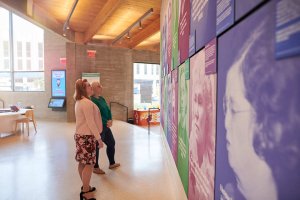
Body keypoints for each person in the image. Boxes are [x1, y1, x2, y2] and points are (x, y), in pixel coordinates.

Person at [74, 79, 104, 200]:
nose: (91, 88)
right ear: (83, 89)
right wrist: (99, 139)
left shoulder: (80, 101)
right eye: (88, 86)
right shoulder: (86, 103)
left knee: (82, 162)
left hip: (81, 135)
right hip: (87, 137)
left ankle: (85, 186)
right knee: (89, 164)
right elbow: (91, 123)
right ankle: (86, 192)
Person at [91, 81, 120, 174]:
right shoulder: (92, 100)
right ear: (93, 88)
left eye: (101, 85)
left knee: (111, 142)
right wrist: (106, 122)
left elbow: (108, 110)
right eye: (98, 86)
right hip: (99, 127)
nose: (101, 87)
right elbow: (97, 115)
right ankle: (95, 167)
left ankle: (112, 163)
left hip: (106, 126)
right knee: (97, 147)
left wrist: (110, 120)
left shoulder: (101, 98)